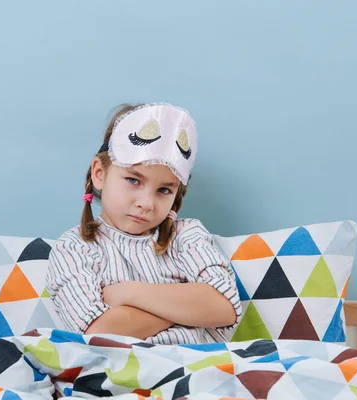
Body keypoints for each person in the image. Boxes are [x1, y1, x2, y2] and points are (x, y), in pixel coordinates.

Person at [45, 102, 241, 344]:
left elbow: (224, 306)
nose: (147, 203)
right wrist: (189, 311)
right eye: (133, 180)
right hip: (121, 376)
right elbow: (99, 332)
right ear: (99, 173)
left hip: (199, 370)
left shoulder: (186, 235)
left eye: (164, 190)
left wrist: (129, 293)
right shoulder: (74, 247)